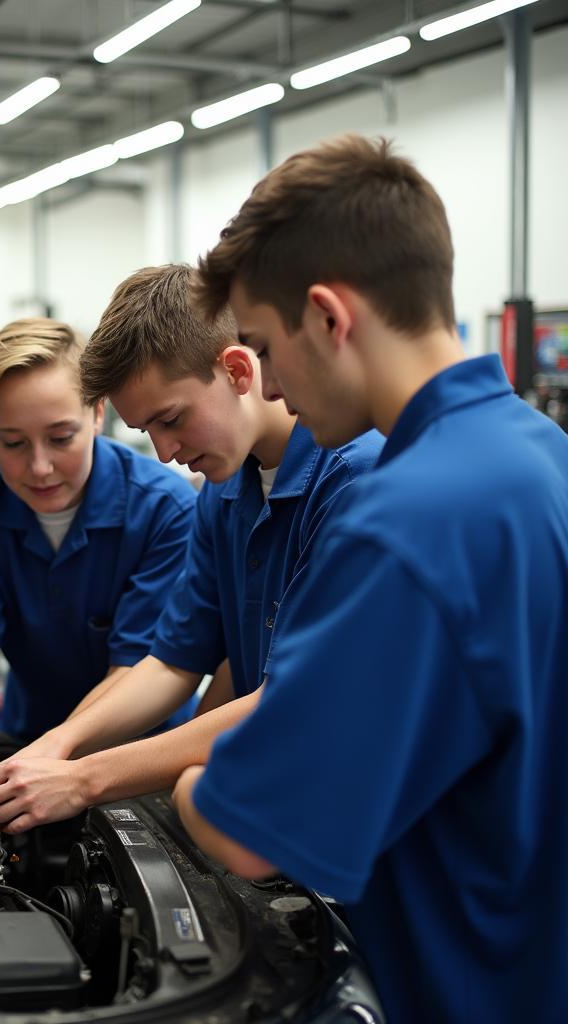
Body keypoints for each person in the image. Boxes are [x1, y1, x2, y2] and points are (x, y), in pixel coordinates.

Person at [170, 135, 568, 1023]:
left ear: (327, 316)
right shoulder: (544, 459)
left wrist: (184, 789)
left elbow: (240, 832)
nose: (268, 386)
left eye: (264, 348)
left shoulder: (404, 520)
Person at [0, 265, 381, 831]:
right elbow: (172, 663)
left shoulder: (353, 480)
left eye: (171, 419)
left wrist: (85, 778)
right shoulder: (224, 491)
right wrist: (60, 744)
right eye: (147, 432)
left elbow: (298, 696)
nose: (164, 453)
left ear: (237, 370)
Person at [0, 318, 197, 826]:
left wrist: (55, 758)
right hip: (23, 740)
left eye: (60, 437)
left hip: (139, 758)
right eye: (12, 443)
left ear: (98, 414)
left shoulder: (164, 509)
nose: (40, 467)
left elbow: (138, 670)